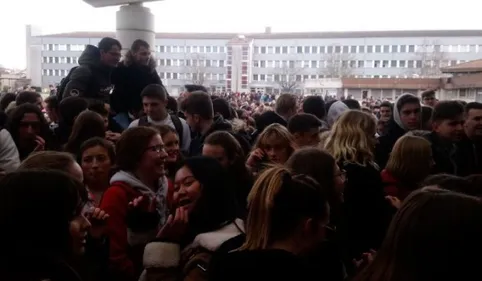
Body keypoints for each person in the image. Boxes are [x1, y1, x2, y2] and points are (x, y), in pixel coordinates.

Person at [111, 39, 163, 128]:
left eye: (148, 53)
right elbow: (121, 92)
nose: (147, 57)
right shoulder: (121, 69)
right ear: (133, 53)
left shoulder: (151, 71)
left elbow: (160, 89)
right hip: (123, 111)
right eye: (143, 54)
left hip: (144, 110)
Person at [62, 37, 121, 104]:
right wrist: (101, 105)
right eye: (113, 54)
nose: (117, 58)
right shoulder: (84, 71)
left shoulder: (109, 71)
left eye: (119, 55)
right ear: (102, 52)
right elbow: (69, 101)